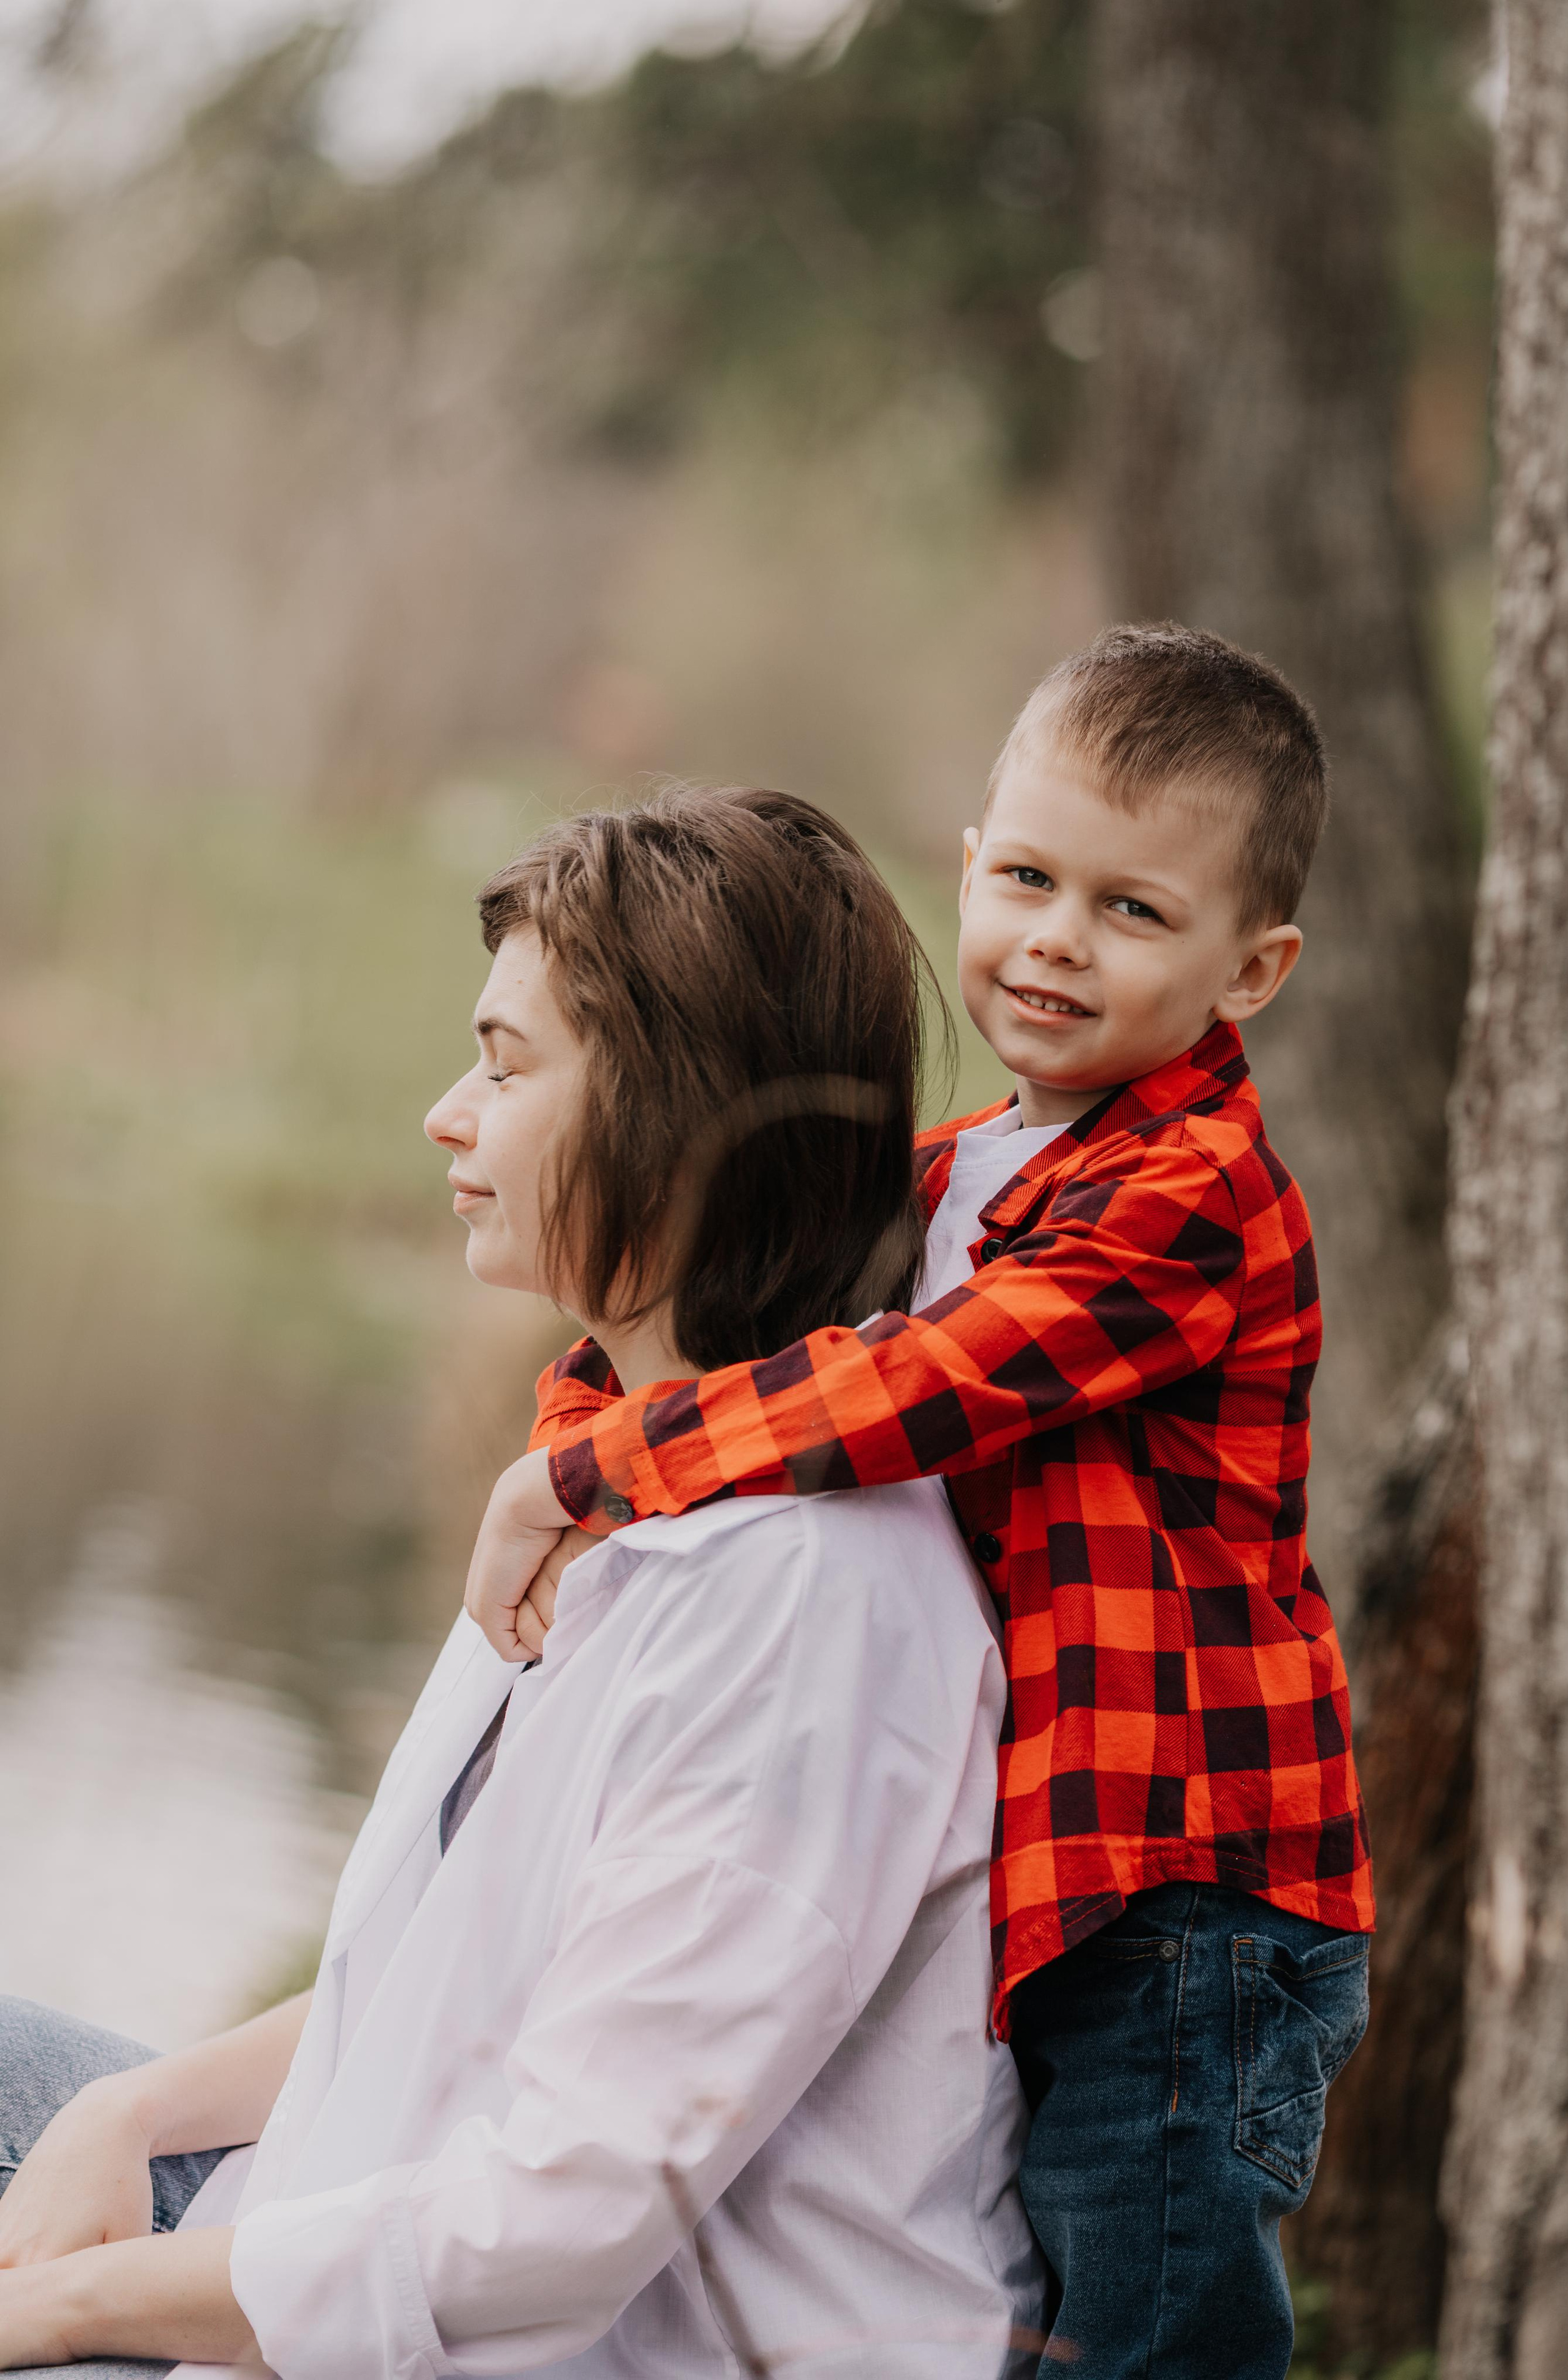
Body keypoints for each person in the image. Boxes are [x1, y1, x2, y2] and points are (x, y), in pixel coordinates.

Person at [0, 786, 1041, 2379]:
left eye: (503, 1064)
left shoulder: (804, 1607)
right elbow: (429, 1992)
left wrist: (63, 2311)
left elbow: (552, 2226)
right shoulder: (612, 1481)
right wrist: (126, 2113)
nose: (444, 1111)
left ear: (674, 1110)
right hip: (349, 2212)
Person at [464, 626, 1375, 2380]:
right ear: (969, 863)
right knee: (1018, 2279)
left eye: (1133, 911)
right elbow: (740, 1321)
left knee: (1152, 2290)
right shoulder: (961, 1175)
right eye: (1029, 876)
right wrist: (584, 1417)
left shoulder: (1189, 1197)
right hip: (1047, 1864)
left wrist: (586, 1473)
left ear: (1252, 969)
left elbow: (916, 1389)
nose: (1053, 938)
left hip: (1188, 1890)